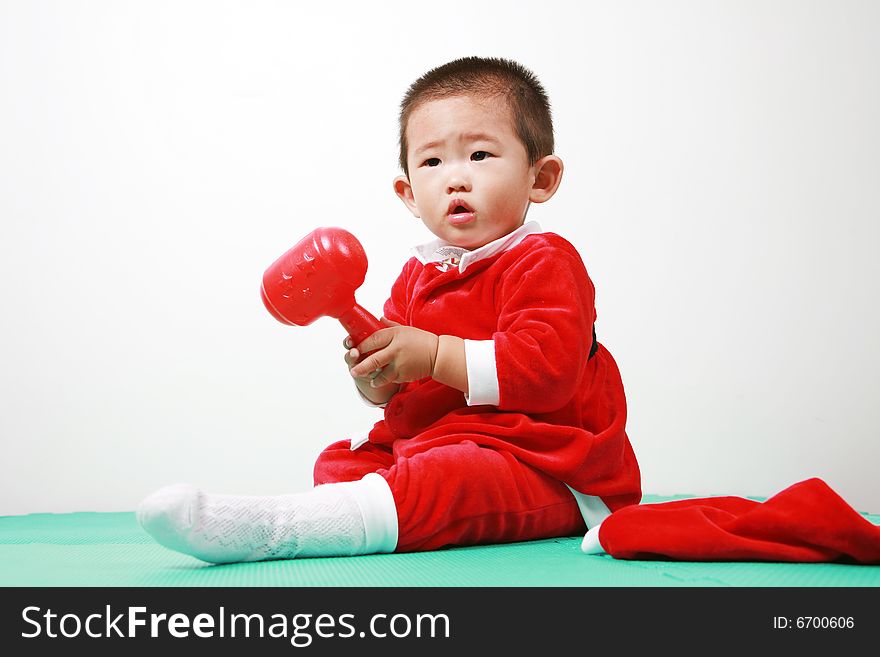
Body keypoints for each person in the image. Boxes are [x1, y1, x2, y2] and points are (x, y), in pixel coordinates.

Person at [137, 56, 641, 563]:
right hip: (438, 443)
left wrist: (434, 353)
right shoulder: (418, 276)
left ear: (542, 178)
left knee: (451, 478)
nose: (456, 179)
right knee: (340, 462)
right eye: (432, 162)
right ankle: (339, 517)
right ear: (408, 194)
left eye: (481, 154)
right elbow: (399, 392)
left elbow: (546, 373)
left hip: (546, 462)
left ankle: (277, 530)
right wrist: (375, 372)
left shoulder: (543, 260)